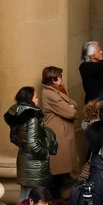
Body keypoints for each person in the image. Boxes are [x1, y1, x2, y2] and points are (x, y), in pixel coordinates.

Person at [5, 86, 56, 201]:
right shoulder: (32, 117)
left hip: (24, 158)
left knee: (24, 196)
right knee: (33, 199)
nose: (37, 100)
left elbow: (14, 138)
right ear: (29, 99)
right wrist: (45, 153)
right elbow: (32, 144)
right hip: (35, 163)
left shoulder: (16, 113)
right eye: (35, 97)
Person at [40, 66, 77, 196]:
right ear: (54, 78)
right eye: (60, 76)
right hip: (57, 133)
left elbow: (72, 103)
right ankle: (54, 196)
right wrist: (71, 107)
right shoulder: (50, 93)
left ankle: (57, 194)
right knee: (56, 168)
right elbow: (70, 111)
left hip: (62, 131)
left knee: (59, 167)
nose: (62, 78)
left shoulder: (56, 90)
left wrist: (71, 105)